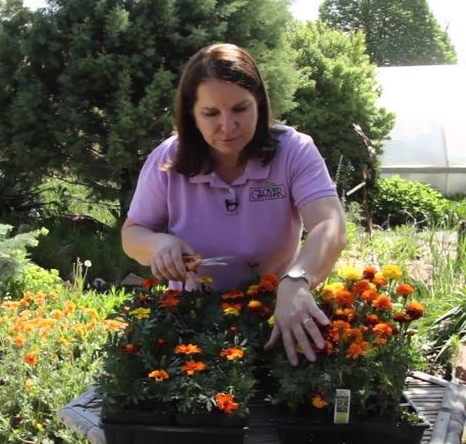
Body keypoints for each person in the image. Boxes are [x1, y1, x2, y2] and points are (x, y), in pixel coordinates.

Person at [121, 43, 347, 366]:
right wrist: (160, 245)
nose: (227, 126)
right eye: (211, 114)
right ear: (191, 115)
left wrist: (297, 281)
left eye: (240, 109)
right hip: (191, 324)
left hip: (277, 315)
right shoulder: (167, 160)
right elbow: (132, 235)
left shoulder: (294, 151)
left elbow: (331, 226)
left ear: (260, 103)